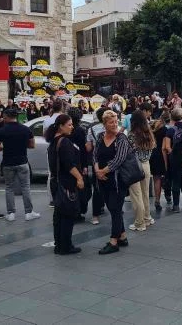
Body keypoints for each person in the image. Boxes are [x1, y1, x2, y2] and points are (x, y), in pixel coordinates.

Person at [47, 114, 85, 254]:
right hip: (66, 182)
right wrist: (79, 178)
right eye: (69, 124)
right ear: (61, 126)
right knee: (67, 215)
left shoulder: (54, 141)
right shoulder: (64, 142)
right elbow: (69, 164)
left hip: (57, 182)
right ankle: (65, 246)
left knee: (59, 215)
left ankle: (59, 244)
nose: (72, 127)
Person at [94, 110, 131, 255]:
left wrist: (104, 171)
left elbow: (120, 159)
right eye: (111, 122)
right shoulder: (99, 137)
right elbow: (95, 155)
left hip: (117, 180)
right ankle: (122, 236)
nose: (115, 124)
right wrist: (98, 171)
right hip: (102, 179)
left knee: (115, 209)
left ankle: (113, 241)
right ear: (104, 124)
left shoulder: (121, 138)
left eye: (116, 121)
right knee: (112, 208)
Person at [0, 109, 39, 222]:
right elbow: (32, 145)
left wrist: (5, 147)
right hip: (22, 162)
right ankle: (29, 212)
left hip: (8, 163)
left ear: (6, 117)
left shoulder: (2, 131)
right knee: (25, 187)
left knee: (9, 187)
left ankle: (11, 213)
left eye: (4, 117)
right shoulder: (25, 129)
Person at [127, 110, 155, 232]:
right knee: (145, 193)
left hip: (135, 166)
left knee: (136, 196)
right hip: (146, 165)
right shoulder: (149, 133)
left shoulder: (132, 134)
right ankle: (147, 218)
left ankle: (139, 223)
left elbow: (129, 152)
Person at [85, 107, 109, 225]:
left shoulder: (91, 129)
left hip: (97, 161)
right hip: (110, 161)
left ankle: (95, 216)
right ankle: (115, 210)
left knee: (97, 188)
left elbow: (88, 148)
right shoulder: (112, 127)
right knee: (113, 186)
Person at [164, 107, 182, 212]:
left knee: (175, 181)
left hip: (174, 159)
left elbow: (167, 147)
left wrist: (173, 153)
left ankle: (176, 205)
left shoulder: (170, 130)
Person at [150, 111, 170, 212]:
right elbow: (165, 147)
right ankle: (163, 197)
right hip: (161, 155)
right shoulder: (165, 130)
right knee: (162, 177)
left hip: (152, 154)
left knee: (155, 179)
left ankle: (157, 201)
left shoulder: (152, 128)